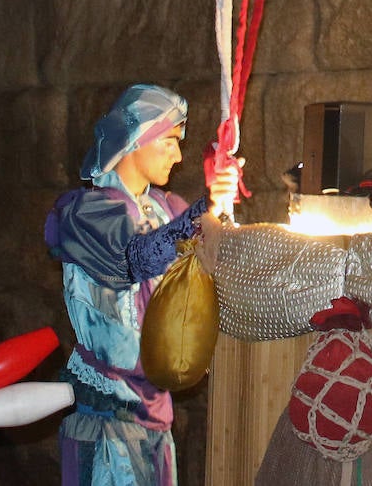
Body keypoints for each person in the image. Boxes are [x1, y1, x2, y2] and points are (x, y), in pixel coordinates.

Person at [45, 83, 239, 486]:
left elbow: (213, 267)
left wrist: (223, 212)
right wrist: (204, 211)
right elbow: (133, 258)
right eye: (169, 142)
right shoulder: (86, 213)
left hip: (155, 414)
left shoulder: (168, 207)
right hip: (108, 416)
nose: (178, 155)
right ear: (137, 138)